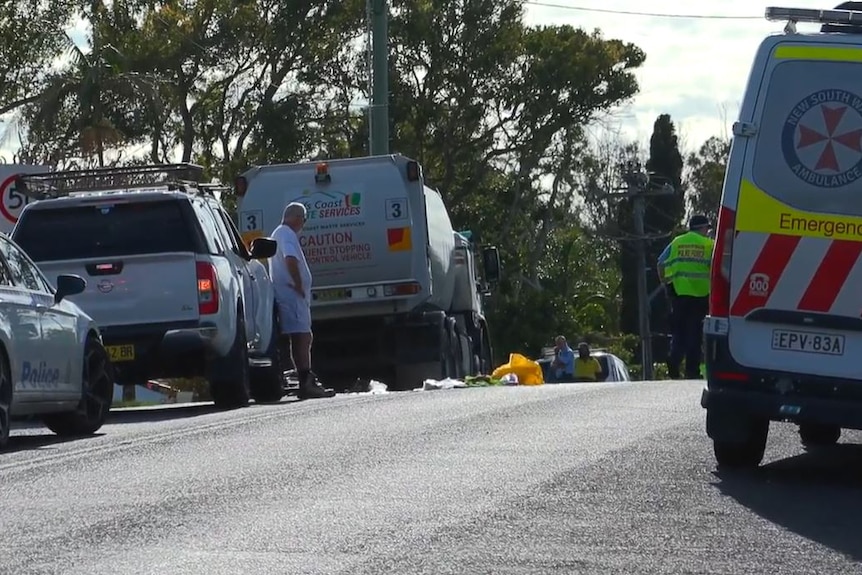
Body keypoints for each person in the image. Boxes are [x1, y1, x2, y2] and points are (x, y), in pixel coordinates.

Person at [270, 202, 335, 399]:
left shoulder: (279, 233)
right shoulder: (287, 234)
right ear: (296, 217)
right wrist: (298, 284)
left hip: (289, 294)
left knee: (300, 336)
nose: (303, 225)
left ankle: (304, 379)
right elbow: (290, 258)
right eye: (304, 220)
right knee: (303, 336)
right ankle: (306, 381)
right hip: (292, 295)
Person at [656, 214, 715, 380]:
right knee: (695, 334)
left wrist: (666, 284)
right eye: (706, 229)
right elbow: (716, 268)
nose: (707, 232)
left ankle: (674, 359)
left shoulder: (677, 242)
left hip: (678, 295)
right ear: (703, 228)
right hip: (701, 296)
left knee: (680, 331)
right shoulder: (709, 245)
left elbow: (660, 262)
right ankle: (691, 370)